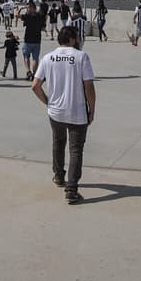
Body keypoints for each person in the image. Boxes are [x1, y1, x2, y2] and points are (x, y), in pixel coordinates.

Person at [32, 25, 96, 204]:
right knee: (76, 150)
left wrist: (47, 101)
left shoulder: (47, 57)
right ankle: (72, 188)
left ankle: (59, 176)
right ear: (73, 39)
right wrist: (92, 109)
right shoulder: (81, 57)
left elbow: (35, 86)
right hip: (76, 111)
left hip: (56, 111)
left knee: (58, 142)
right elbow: (89, 86)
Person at [20, 2, 46, 81]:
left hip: (28, 39)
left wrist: (21, 9)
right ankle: (34, 74)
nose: (27, 9)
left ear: (32, 8)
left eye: (28, 7)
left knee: (26, 56)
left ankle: (28, 72)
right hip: (37, 40)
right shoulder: (40, 16)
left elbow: (16, 15)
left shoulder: (27, 16)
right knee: (35, 58)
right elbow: (43, 27)